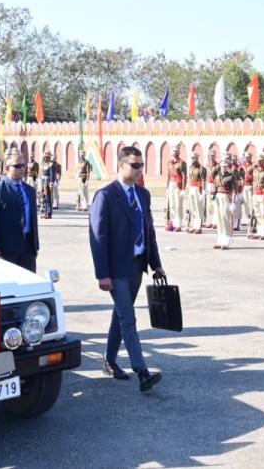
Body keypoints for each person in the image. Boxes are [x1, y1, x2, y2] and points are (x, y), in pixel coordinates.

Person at [88, 145, 164, 393]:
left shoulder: (143, 195)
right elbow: (98, 238)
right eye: (135, 165)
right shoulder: (106, 196)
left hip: (137, 266)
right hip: (116, 269)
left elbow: (149, 231)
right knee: (128, 317)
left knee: (120, 315)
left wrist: (157, 264)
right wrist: (102, 274)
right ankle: (141, 371)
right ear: (120, 165)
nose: (140, 169)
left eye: (142, 165)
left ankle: (109, 361)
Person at [0, 149, 41, 271]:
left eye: (23, 165)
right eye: (17, 166)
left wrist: (35, 246)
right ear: (7, 168)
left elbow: (33, 220)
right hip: (6, 249)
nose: (22, 169)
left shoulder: (30, 190)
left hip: (28, 248)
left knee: (28, 285)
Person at [214, 154, 239, 249]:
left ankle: (226, 241)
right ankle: (220, 240)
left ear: (228, 167)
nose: (223, 168)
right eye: (222, 166)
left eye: (225, 166)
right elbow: (216, 187)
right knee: (219, 219)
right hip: (218, 197)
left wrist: (233, 203)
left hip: (226, 197)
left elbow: (234, 190)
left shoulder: (231, 176)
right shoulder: (217, 176)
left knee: (225, 219)